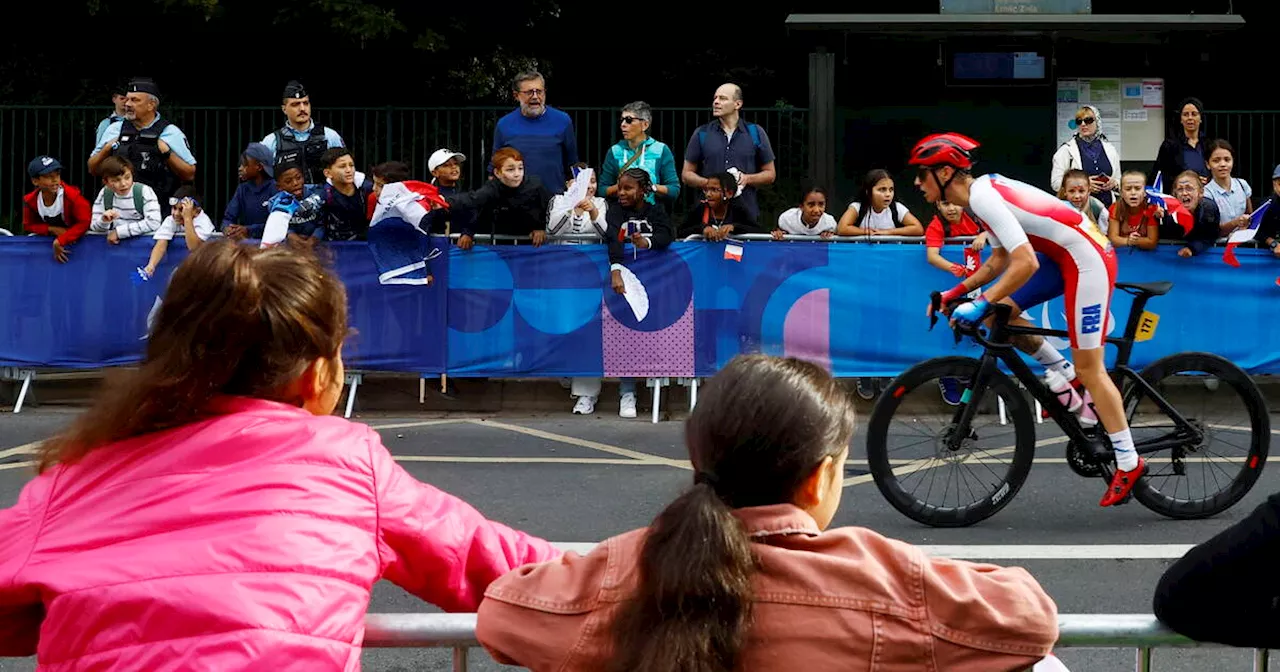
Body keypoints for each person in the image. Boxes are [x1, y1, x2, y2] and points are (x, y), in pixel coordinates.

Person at [0, 240, 560, 666]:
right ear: (318, 374)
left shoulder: (74, 478)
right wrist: (640, 568)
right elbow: (495, 565)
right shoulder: (346, 460)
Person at [476, 354, 1059, 672]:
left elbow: (504, 614)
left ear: (699, 459)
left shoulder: (626, 569)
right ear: (819, 477)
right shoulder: (878, 573)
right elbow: (1029, 618)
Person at [911, 132, 1144, 506]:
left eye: (922, 175)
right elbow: (1000, 260)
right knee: (999, 315)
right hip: (1061, 256)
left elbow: (1026, 262)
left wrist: (979, 301)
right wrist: (957, 294)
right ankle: (1065, 376)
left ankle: (1129, 461)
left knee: (1091, 367)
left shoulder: (984, 196)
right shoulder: (978, 198)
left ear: (944, 173)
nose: (917, 183)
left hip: (1085, 258)